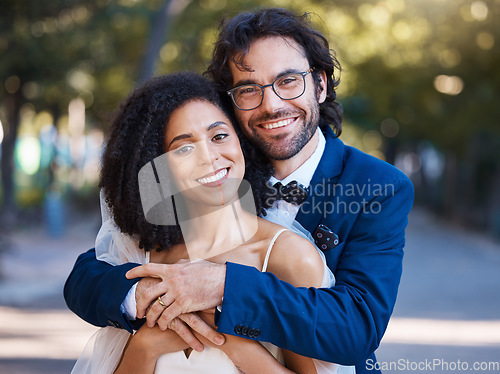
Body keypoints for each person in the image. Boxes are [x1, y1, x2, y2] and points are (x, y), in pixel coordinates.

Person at [64, 8, 414, 374]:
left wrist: (224, 288)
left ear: (321, 84)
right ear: (230, 103)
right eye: (249, 89)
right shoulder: (207, 180)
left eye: (289, 80)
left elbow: (355, 329)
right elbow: (87, 276)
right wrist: (143, 301)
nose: (272, 104)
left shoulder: (379, 187)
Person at [71, 71, 351, 373]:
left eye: (219, 136)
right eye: (183, 148)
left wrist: (231, 340)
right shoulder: (145, 258)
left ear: (241, 142)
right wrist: (147, 343)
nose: (208, 157)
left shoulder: (289, 258)